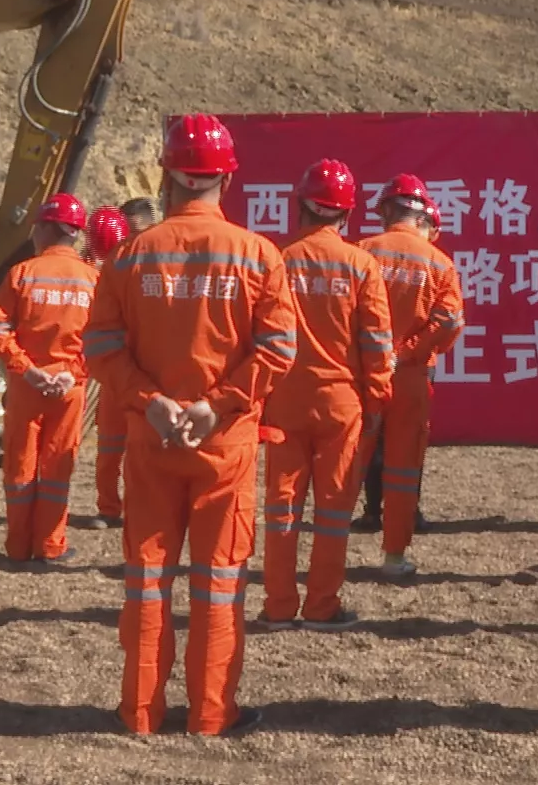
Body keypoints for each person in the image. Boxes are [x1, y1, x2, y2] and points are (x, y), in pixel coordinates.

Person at [84, 113, 298, 736]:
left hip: (151, 441)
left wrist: (150, 400)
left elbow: (100, 345)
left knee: (148, 582)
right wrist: (219, 404)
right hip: (224, 445)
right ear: (226, 179)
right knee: (220, 583)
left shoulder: (127, 256)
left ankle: (141, 713)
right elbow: (278, 348)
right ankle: (210, 714)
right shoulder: (259, 256)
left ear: (165, 174)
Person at [260, 160, 393, 631]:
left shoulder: (275, 258)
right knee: (334, 514)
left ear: (300, 205)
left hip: (283, 403)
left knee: (280, 511)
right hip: (342, 406)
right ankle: (321, 607)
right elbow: (376, 341)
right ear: (347, 214)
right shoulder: (361, 265)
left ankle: (277, 606)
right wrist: (376, 400)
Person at [357, 175, 465, 577]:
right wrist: (405, 355)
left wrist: (376, 358)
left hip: (363, 377)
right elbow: (450, 320)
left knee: (349, 464)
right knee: (403, 470)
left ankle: (325, 560)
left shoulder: (362, 253)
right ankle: (394, 557)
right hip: (412, 376)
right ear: (423, 215)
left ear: (385, 211)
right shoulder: (439, 262)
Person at [0, 194, 97, 564]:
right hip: (70, 389)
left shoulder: (21, 274)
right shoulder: (93, 280)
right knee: (57, 468)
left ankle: (18, 547)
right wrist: (72, 373)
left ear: (45, 229)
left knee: (20, 468)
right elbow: (104, 338)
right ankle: (50, 546)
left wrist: (27, 370)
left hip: (26, 388)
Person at [83, 205, 133, 531]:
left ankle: (113, 507)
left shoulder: (132, 268)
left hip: (123, 368)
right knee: (115, 446)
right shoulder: (126, 268)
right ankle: (111, 506)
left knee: (116, 447)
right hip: (124, 370)